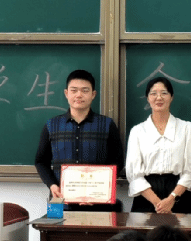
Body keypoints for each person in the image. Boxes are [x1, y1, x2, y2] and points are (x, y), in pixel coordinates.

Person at [35, 69, 124, 212]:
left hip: (99, 203)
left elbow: (118, 160)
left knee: (102, 228)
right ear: (66, 93)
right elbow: (41, 161)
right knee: (56, 227)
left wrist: (99, 190)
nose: (79, 95)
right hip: (60, 201)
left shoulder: (107, 125)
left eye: (84, 90)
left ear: (93, 94)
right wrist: (52, 185)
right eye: (74, 90)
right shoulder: (52, 125)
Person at [126, 77, 191, 214]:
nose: (158, 97)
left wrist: (171, 199)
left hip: (179, 195)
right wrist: (158, 203)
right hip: (147, 197)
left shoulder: (186, 128)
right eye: (153, 93)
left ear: (171, 97)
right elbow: (134, 174)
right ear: (148, 98)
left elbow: (190, 170)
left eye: (164, 93)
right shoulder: (137, 131)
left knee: (183, 229)